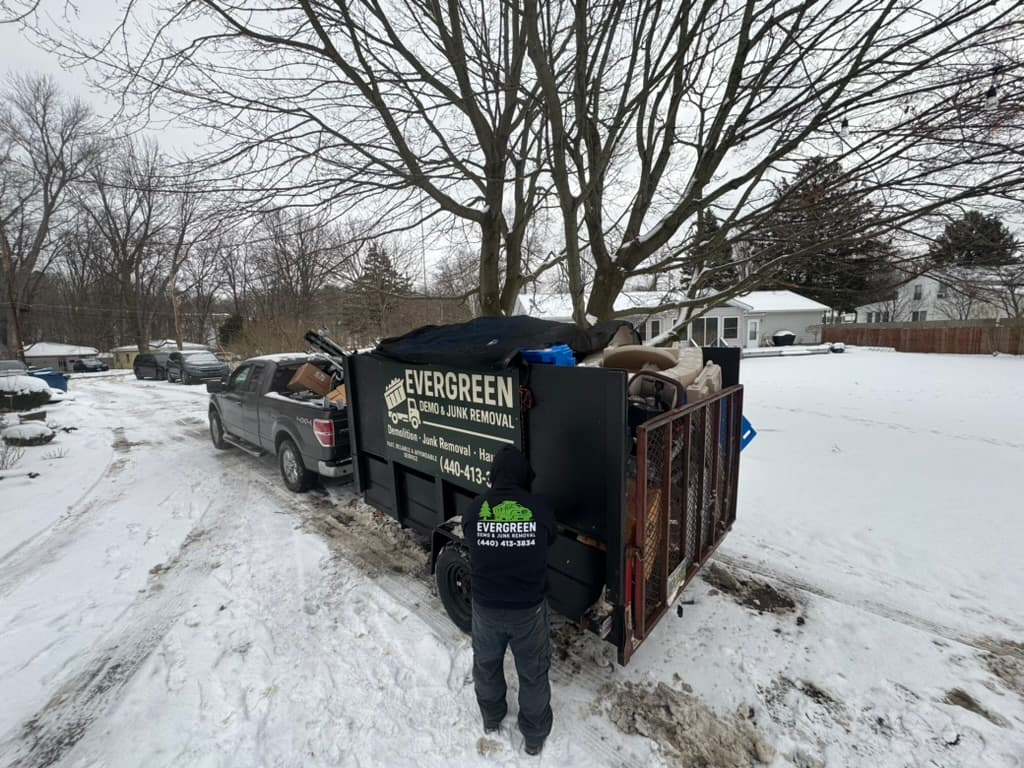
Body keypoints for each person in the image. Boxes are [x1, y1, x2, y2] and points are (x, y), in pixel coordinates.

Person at [462, 445, 557, 756]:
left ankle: (491, 718)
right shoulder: (539, 509)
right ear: (522, 474)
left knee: (486, 665)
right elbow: (550, 538)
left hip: (486, 609)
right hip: (528, 612)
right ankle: (533, 736)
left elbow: (470, 538)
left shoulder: (475, 510)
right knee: (533, 672)